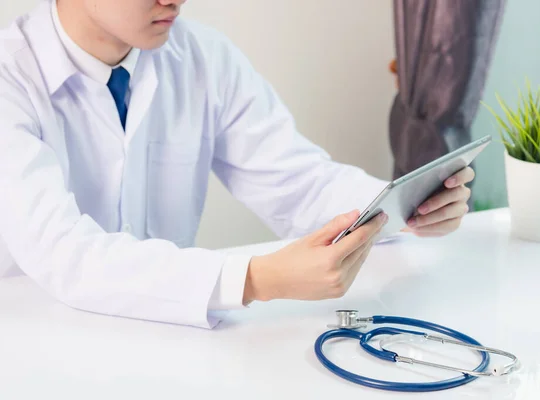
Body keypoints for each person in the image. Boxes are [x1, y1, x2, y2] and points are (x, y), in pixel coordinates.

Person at [0, 0, 474, 329]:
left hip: (166, 337)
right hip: (35, 340)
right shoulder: (10, 77)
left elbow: (297, 181)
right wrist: (253, 279)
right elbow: (66, 255)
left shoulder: (203, 58)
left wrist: (407, 204)